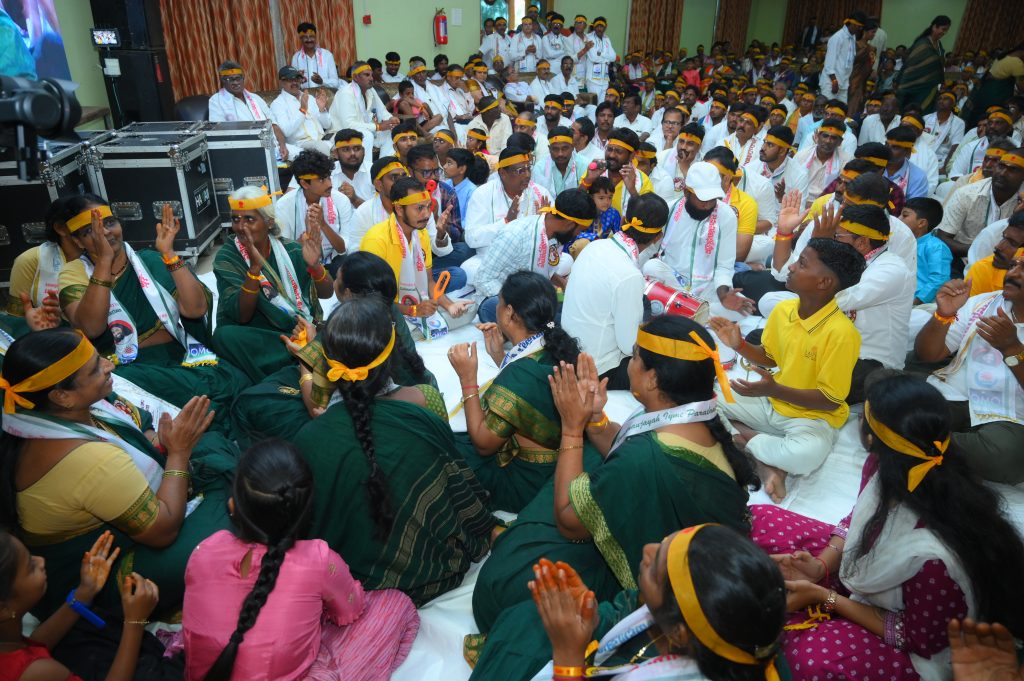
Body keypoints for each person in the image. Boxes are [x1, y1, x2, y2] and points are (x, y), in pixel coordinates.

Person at [470, 315, 761, 635]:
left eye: (635, 356)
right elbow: (623, 443)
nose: (629, 362)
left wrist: (572, 428)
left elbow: (569, 522)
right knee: (594, 455)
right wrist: (594, 418)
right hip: (683, 539)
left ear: (653, 380)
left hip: (659, 575)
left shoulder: (646, 457)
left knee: (499, 585)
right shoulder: (693, 413)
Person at [753, 374, 1024, 681]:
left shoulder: (935, 560)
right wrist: (820, 566)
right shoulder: (885, 466)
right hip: (868, 576)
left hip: (921, 645)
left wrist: (824, 598)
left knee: (812, 661)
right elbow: (858, 520)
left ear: (869, 437)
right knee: (764, 521)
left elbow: (920, 639)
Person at [0, 328, 237, 617]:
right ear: (61, 395)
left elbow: (139, 434)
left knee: (216, 457)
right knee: (231, 512)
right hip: (99, 581)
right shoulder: (87, 462)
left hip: (125, 534)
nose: (109, 365)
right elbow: (162, 531)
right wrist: (178, 453)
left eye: (99, 357)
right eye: (95, 367)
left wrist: (163, 444)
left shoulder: (57, 414)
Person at [292, 296, 496, 606]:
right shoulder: (426, 401)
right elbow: (455, 489)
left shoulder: (308, 439)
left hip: (353, 582)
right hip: (434, 570)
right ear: (391, 355)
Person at [183, 439, 418, 681]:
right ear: (305, 511)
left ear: (234, 504)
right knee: (394, 604)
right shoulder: (317, 559)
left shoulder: (205, 550)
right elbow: (352, 608)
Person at [57, 196, 250, 436]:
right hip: (128, 370)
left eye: (109, 223)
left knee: (236, 383)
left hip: (180, 354)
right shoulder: (74, 273)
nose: (105, 233)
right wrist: (104, 262)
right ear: (76, 241)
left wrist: (169, 255)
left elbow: (195, 309)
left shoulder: (149, 260)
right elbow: (92, 328)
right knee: (206, 410)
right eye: (91, 231)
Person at [491, 525, 787, 681]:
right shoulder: (730, 629)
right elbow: (631, 610)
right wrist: (595, 619)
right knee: (524, 619)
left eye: (656, 569)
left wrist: (568, 657)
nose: (647, 549)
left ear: (679, 633)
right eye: (664, 543)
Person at [708, 237, 864, 502]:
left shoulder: (842, 333)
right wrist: (740, 345)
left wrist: (775, 389)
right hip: (770, 401)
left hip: (810, 417)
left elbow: (829, 400)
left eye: (801, 263)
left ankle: (744, 439)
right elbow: (769, 356)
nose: (790, 267)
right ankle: (766, 460)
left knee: (803, 457)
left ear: (824, 282)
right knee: (702, 397)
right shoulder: (784, 310)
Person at [231, 251, 437, 445]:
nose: (333, 280)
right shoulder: (387, 312)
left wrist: (307, 354)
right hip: (375, 397)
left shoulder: (348, 328)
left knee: (250, 402)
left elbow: (317, 407)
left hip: (348, 408)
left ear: (348, 293)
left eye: (337, 278)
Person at [448, 272, 592, 513]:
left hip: (526, 482)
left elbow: (484, 444)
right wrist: (500, 358)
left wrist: (467, 379)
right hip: (563, 465)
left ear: (509, 312)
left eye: (500, 301)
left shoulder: (521, 375)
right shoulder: (554, 345)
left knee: (447, 446)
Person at [915, 259, 1024, 484]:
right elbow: (928, 355)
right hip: (956, 395)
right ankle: (924, 440)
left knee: (1005, 457)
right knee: (883, 382)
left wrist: (1012, 349)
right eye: (1014, 265)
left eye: (1023, 270)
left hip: (1008, 415)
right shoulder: (982, 304)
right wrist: (942, 315)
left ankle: (908, 438)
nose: (1013, 273)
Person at [0, 531, 162, 681]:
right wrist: (135, 623)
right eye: (30, 567)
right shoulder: (40, 672)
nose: (41, 561)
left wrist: (83, 593)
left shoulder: (8, 640)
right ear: (3, 609)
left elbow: (33, 645)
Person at [211, 186, 332, 383]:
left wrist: (315, 266)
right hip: (259, 334)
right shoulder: (227, 256)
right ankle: (302, 359)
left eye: (249, 219)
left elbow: (327, 293)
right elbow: (241, 316)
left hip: (299, 328)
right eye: (236, 219)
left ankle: (298, 359)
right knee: (224, 336)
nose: (241, 226)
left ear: (268, 222)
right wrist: (254, 270)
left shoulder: (290, 249)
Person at [563, 194, 669, 388]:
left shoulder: (594, 246)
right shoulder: (629, 276)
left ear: (622, 220)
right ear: (658, 236)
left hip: (568, 352)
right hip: (599, 369)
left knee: (643, 302)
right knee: (669, 365)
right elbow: (629, 346)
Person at [359, 177, 474, 336]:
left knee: (469, 311)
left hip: (414, 307)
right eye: (419, 208)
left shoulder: (421, 234)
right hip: (383, 310)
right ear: (399, 209)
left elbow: (429, 281)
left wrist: (450, 306)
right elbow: (369, 298)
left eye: (428, 206)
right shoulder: (376, 240)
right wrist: (412, 310)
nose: (427, 214)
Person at [473, 189, 595, 323]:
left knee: (572, 312)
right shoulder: (515, 235)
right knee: (557, 324)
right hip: (501, 300)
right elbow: (483, 280)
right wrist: (524, 301)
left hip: (532, 298)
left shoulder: (555, 235)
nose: (577, 235)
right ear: (570, 224)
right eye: (580, 230)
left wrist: (564, 284)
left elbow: (540, 268)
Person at [646, 162, 750, 317]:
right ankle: (694, 310)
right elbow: (649, 248)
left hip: (708, 287)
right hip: (672, 282)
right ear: (687, 193)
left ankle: (687, 309)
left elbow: (724, 266)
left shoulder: (726, 216)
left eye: (712, 199)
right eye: (702, 199)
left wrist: (723, 294)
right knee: (651, 266)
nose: (707, 205)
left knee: (743, 311)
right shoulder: (669, 209)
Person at [463, 147, 554, 277]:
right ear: (502, 173)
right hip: (494, 259)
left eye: (528, 168)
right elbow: (472, 238)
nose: (527, 175)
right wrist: (506, 222)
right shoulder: (483, 194)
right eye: (520, 171)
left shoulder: (540, 193)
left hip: (531, 258)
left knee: (564, 261)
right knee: (469, 269)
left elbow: (556, 235)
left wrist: (542, 224)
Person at [276, 149, 354, 277]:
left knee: (346, 264)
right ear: (304, 183)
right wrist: (304, 241)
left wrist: (323, 224)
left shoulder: (340, 200)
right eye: (321, 180)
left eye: (329, 177)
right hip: (300, 260)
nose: (329, 184)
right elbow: (284, 252)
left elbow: (342, 250)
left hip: (334, 260)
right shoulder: (284, 205)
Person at [936, 148, 1024, 260]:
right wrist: (981, 249)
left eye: (1013, 169)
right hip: (962, 260)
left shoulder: (1022, 201)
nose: (1002, 173)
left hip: (1010, 264)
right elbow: (942, 238)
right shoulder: (967, 194)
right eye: (1001, 166)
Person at [207, 61, 293, 161]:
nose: (235, 83)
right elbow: (218, 132)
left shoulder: (255, 98)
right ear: (223, 81)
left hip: (273, 147)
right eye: (230, 79)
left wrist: (282, 145)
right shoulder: (216, 100)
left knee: (306, 159)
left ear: (243, 79)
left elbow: (273, 124)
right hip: (243, 152)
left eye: (238, 78)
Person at [328, 61, 398, 173]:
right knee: (366, 136)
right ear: (355, 77)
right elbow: (349, 125)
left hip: (368, 130)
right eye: (366, 75)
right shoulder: (345, 93)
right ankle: (367, 173)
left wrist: (391, 119)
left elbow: (383, 112)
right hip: (342, 135)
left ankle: (384, 169)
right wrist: (378, 127)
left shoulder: (370, 90)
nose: (371, 78)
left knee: (391, 132)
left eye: (371, 75)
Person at [580, 128, 654, 217]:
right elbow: (576, 204)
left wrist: (632, 190)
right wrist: (588, 181)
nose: (611, 155)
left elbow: (646, 216)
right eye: (609, 149)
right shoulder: (595, 171)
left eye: (618, 151)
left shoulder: (643, 181)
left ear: (632, 155)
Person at [786, 117, 850, 209]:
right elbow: (791, 185)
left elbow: (842, 193)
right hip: (799, 203)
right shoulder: (802, 156)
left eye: (833, 138)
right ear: (817, 136)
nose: (828, 141)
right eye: (825, 136)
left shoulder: (845, 161)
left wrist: (817, 207)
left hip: (828, 206)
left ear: (840, 142)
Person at [269, 66, 332, 155]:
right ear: (281, 82)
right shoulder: (278, 104)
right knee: (321, 147)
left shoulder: (309, 97)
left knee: (347, 138)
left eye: (297, 79)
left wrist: (322, 110)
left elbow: (327, 125)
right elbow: (286, 131)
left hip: (323, 139)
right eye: (290, 80)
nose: (294, 82)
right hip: (302, 144)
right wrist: (302, 110)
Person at [896, 16, 952, 112]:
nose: (944, 33)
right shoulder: (922, 44)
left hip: (930, 87)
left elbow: (939, 65)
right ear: (934, 27)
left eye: (946, 30)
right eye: (943, 29)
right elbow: (910, 67)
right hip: (913, 86)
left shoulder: (939, 44)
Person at [902, 197, 951, 303]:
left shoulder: (936, 247)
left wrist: (917, 301)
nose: (899, 219)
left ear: (921, 223)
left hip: (923, 303)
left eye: (904, 215)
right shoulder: (900, 241)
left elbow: (939, 280)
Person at [650, 122, 704, 204]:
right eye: (681, 141)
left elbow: (700, 196)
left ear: (699, 147)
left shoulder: (704, 164)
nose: (683, 147)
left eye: (690, 144)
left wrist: (685, 167)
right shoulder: (662, 157)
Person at [822, 12, 867, 104]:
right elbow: (829, 63)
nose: (860, 29)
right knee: (829, 111)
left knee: (841, 112)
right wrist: (834, 81)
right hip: (831, 82)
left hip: (844, 82)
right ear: (853, 24)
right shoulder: (837, 37)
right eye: (859, 26)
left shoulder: (852, 37)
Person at [532, 126, 583, 198]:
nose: (560, 154)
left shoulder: (583, 165)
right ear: (549, 149)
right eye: (555, 149)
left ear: (572, 147)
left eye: (565, 148)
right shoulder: (539, 168)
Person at [884, 126, 930, 200]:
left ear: (907, 152)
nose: (887, 150)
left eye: (895, 147)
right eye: (886, 145)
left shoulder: (918, 177)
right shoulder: (872, 166)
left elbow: (913, 209)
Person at [329, 129, 372, 207]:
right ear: (336, 153)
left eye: (357, 149)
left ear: (364, 151)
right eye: (346, 149)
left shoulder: (374, 171)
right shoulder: (328, 174)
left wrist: (355, 200)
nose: (352, 153)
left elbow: (380, 212)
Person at [289, 22, 340, 89]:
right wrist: (298, 80)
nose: (309, 40)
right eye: (305, 37)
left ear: (315, 37)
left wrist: (322, 81)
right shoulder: (296, 58)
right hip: (305, 97)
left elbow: (335, 83)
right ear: (300, 39)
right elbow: (293, 84)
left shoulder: (327, 55)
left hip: (325, 96)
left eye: (311, 37)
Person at [583, 17, 615, 100]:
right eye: (597, 26)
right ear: (594, 27)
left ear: (605, 27)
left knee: (601, 107)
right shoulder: (588, 37)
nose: (599, 29)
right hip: (593, 79)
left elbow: (613, 57)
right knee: (593, 106)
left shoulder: (607, 39)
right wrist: (606, 59)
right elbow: (593, 57)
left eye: (601, 26)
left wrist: (601, 53)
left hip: (604, 79)